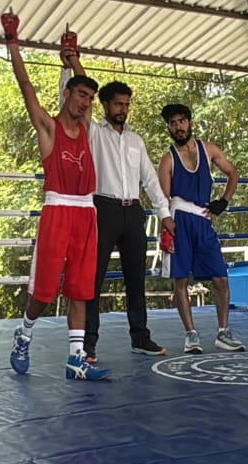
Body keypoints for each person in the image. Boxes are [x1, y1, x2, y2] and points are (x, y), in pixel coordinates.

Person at [1, 10, 109, 381]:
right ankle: (24, 333)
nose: (85, 102)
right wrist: (13, 42)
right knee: (45, 291)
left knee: (81, 290)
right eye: (80, 94)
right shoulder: (48, 128)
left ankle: (76, 359)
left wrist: (72, 55)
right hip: (58, 209)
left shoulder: (88, 129)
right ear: (66, 94)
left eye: (90, 98)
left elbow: (87, 88)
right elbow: (26, 86)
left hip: (86, 213)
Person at [64, 53, 175, 360]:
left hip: (133, 211)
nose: (123, 109)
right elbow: (81, 98)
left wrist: (164, 215)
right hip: (103, 209)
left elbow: (150, 179)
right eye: (117, 104)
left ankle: (140, 337)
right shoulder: (94, 132)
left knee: (136, 278)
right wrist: (73, 62)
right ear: (104, 105)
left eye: (126, 104)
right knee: (94, 277)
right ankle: (88, 343)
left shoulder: (136, 140)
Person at [157, 103, 245, 354]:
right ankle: (191, 335)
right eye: (173, 123)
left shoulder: (209, 150)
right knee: (181, 280)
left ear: (190, 123)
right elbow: (162, 197)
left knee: (221, 277)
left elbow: (233, 173)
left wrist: (223, 202)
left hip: (203, 220)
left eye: (181, 121)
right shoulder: (167, 159)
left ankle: (223, 332)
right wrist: (166, 225)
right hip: (179, 219)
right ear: (169, 127)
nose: (178, 126)